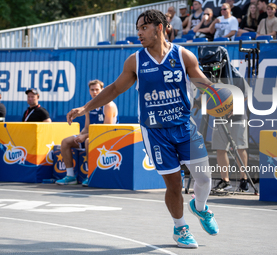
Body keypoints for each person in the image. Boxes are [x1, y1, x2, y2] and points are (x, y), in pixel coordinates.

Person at [66, 9, 219, 248]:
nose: (139, 33)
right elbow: (114, 89)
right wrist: (85, 108)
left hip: (184, 127)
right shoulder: (135, 61)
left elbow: (203, 83)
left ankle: (200, 208)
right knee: (174, 185)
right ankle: (181, 229)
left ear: (159, 28)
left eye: (143, 28)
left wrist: (223, 97)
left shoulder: (183, 56)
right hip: (156, 132)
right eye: (138, 29)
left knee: (204, 179)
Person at [56, 80, 118, 186]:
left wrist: (85, 136)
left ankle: (91, 175)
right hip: (92, 135)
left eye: (97, 90)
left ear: (102, 90)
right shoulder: (89, 106)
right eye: (92, 90)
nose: (94, 92)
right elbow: (86, 128)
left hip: (109, 138)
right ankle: (70, 176)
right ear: (89, 91)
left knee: (88, 141)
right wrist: (80, 135)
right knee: (65, 141)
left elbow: (106, 130)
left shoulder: (109, 105)